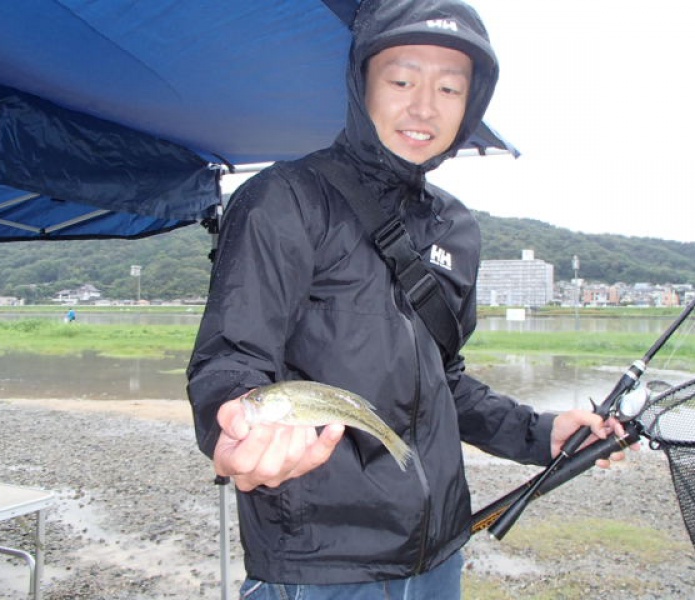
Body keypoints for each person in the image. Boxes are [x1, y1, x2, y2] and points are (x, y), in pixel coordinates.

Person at [187, 1, 633, 598]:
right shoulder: (285, 199)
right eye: (401, 79)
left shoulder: (457, 228)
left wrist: (539, 432)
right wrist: (235, 427)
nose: (424, 106)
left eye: (450, 88)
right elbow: (230, 359)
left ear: (470, 105)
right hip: (321, 564)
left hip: (442, 548)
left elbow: (443, 383)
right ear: (361, 81)